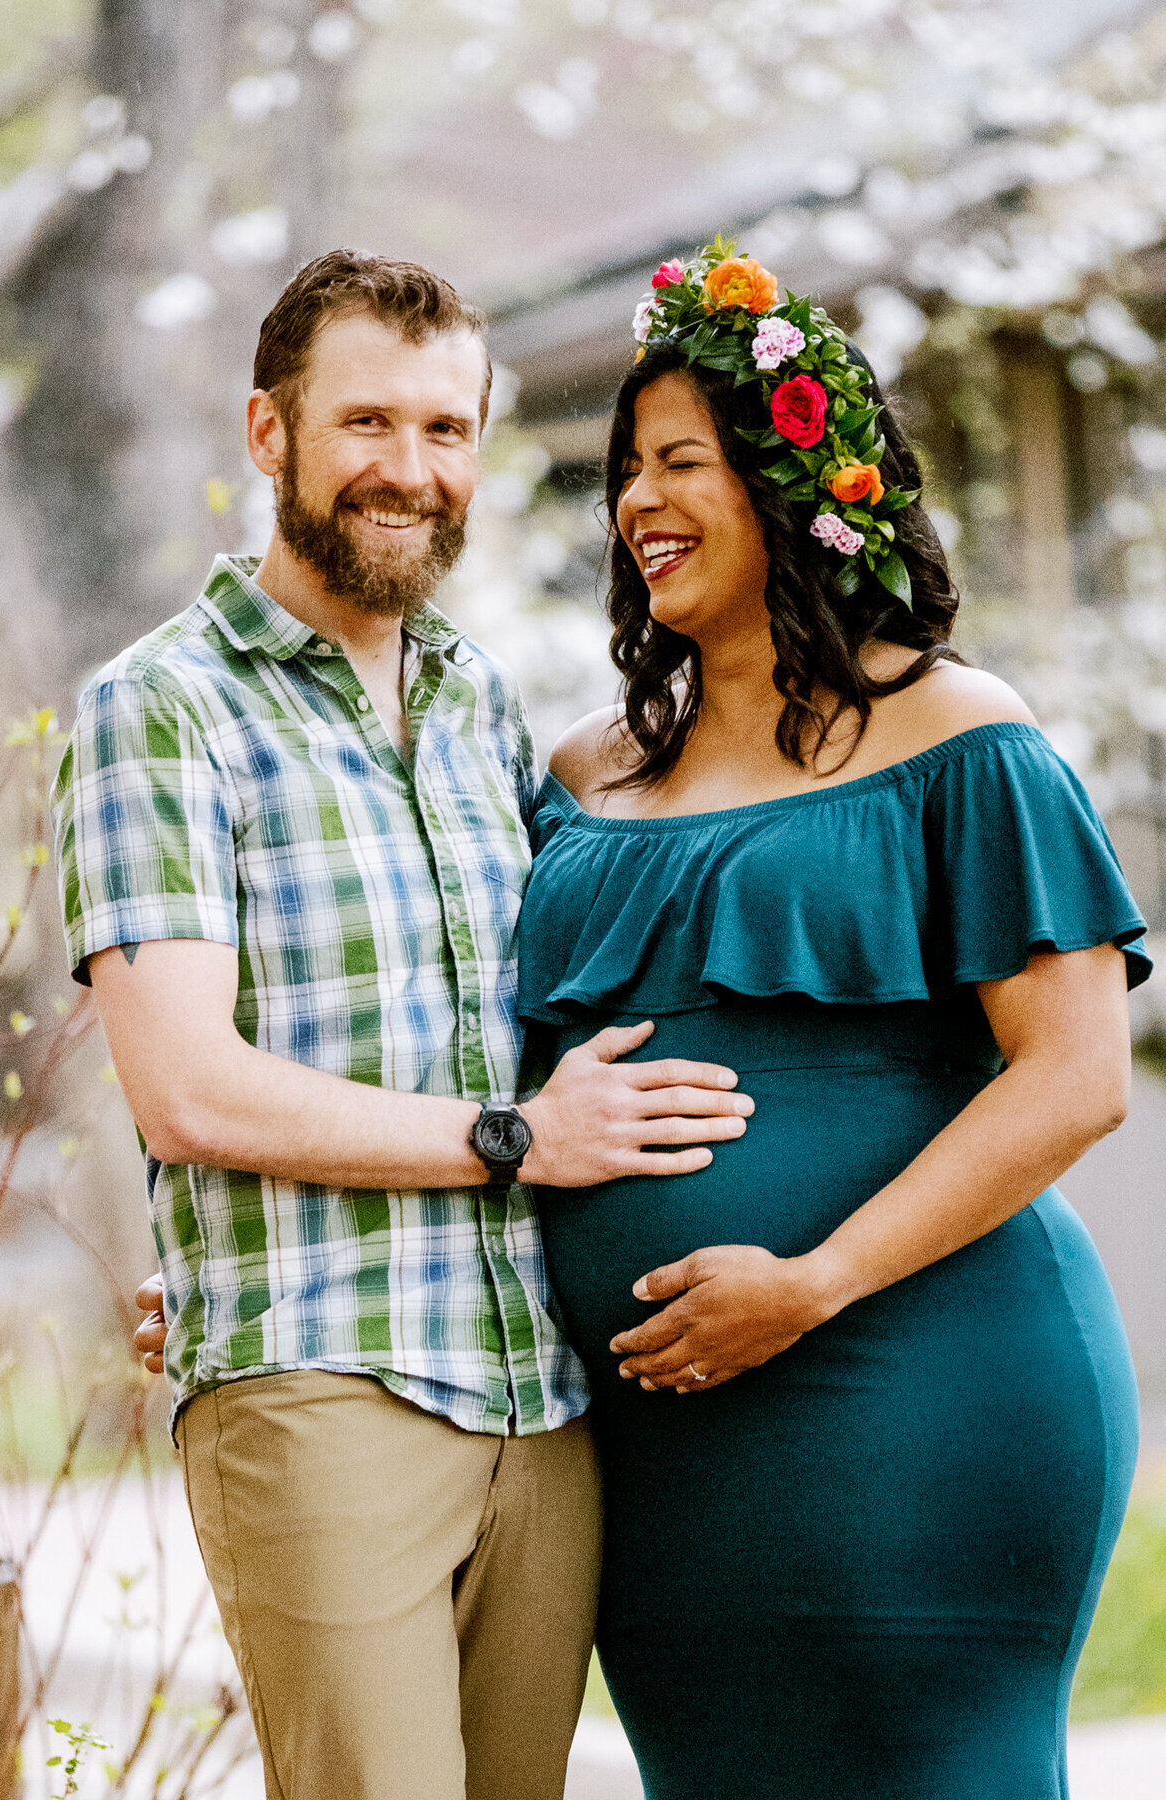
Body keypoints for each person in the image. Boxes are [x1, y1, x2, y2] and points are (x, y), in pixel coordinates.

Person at [51, 250, 754, 1800]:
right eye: (366, 421)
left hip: (540, 1402)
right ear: (268, 433)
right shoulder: (159, 710)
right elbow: (190, 1091)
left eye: (447, 431)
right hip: (324, 1388)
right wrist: (523, 1141)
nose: (409, 469)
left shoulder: (478, 701)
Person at [510, 245, 1149, 1799]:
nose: (637, 505)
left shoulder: (959, 735)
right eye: (623, 474)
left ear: (798, 483)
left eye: (682, 463)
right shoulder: (581, 777)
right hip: (664, 1439)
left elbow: (1074, 1077)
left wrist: (811, 1282)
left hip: (918, 1379)